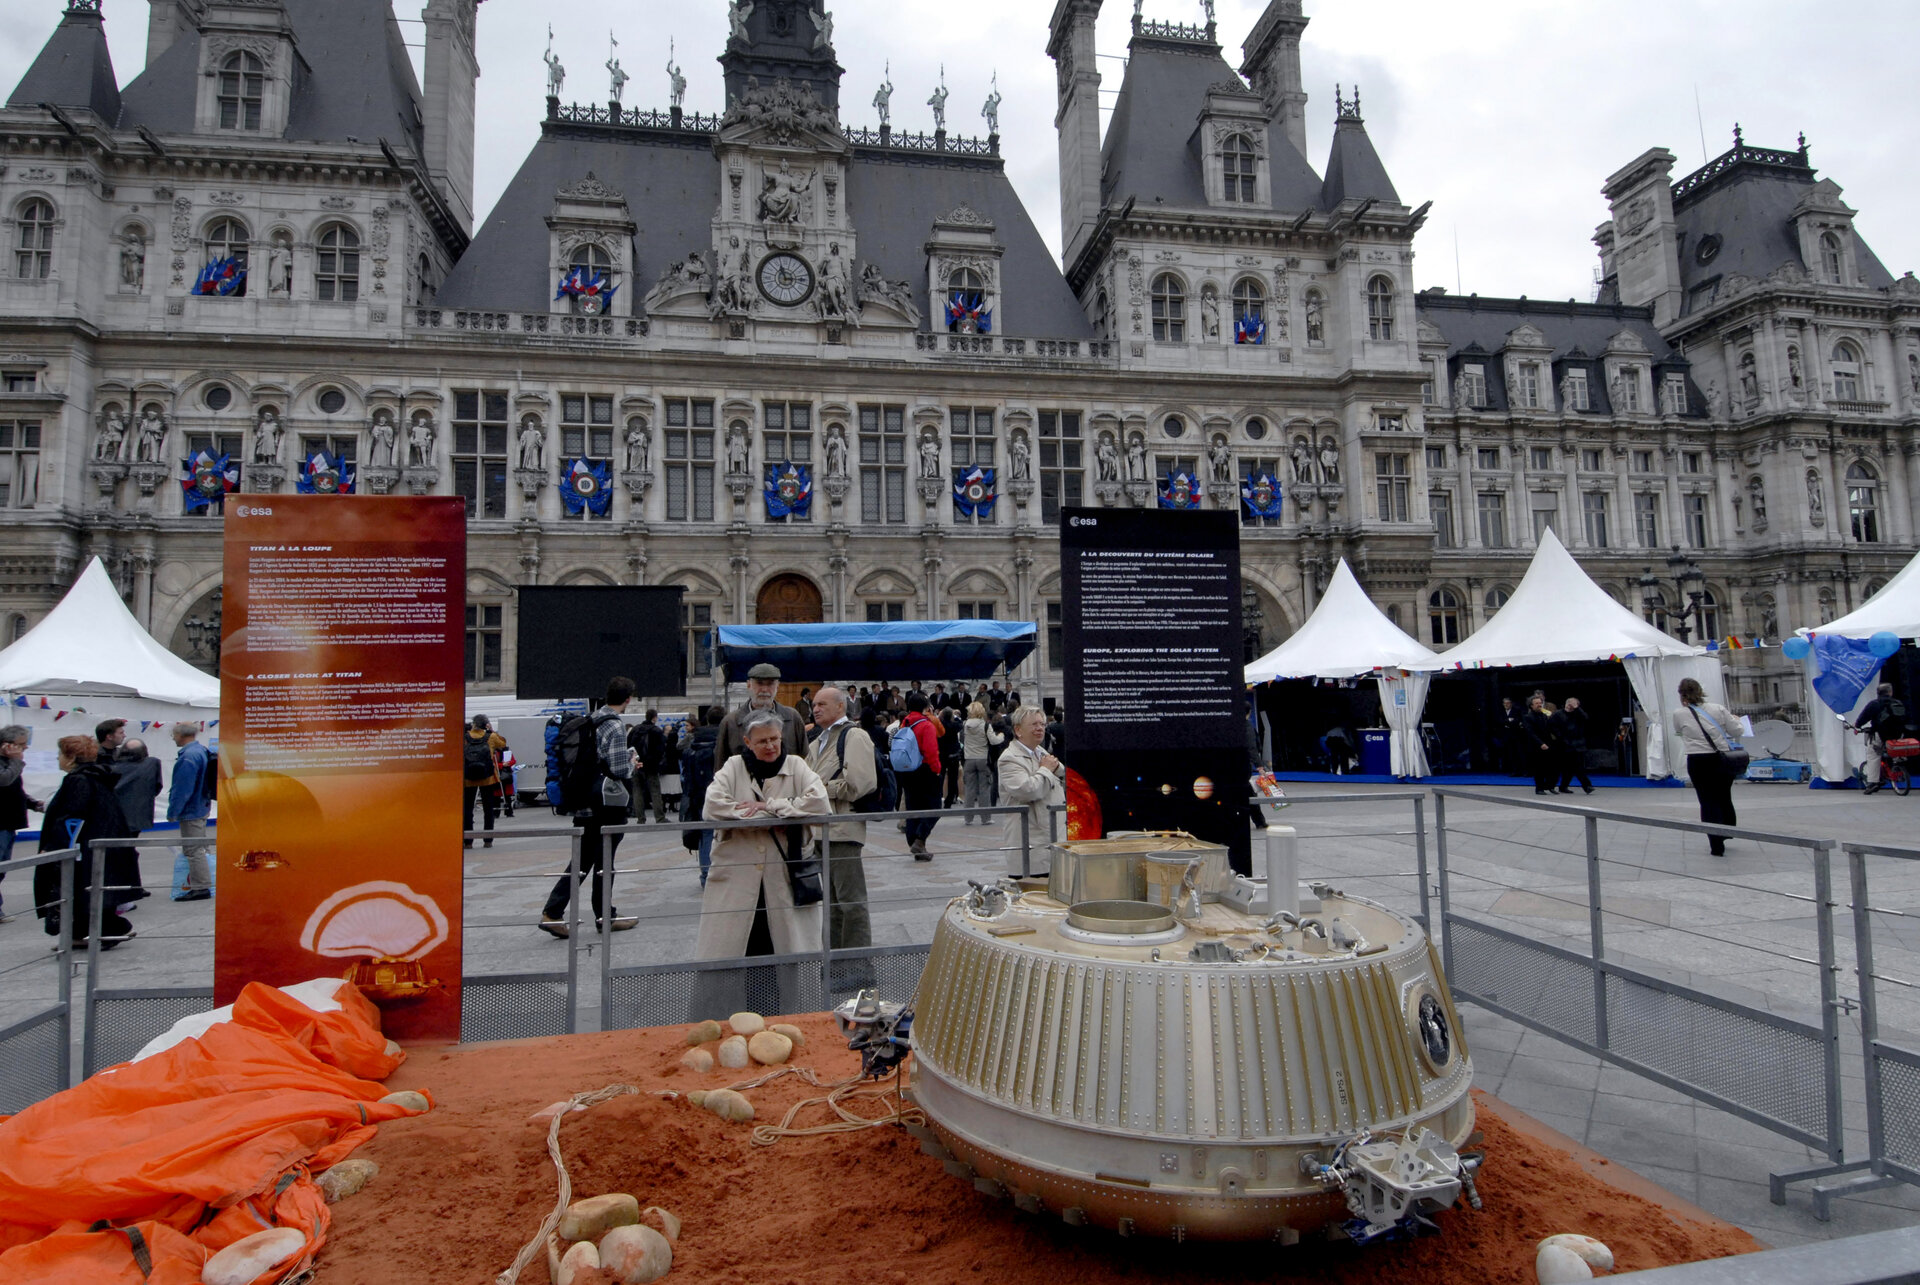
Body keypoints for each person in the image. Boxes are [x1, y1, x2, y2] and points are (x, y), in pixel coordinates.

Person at [697, 709, 831, 958]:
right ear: (747, 742)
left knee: (788, 947)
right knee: (738, 947)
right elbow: (713, 807)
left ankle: (791, 1000)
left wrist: (770, 806)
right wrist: (779, 817)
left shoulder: (797, 765)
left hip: (784, 876)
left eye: (774, 738)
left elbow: (821, 804)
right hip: (738, 877)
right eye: (762, 741)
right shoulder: (733, 766)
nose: (771, 746)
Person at [540, 677, 641, 937]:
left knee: (583, 861)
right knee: (605, 861)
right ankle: (604, 916)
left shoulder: (591, 719)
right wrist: (632, 762)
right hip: (607, 806)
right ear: (628, 699)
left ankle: (553, 913)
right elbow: (618, 769)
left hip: (584, 802)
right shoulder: (615, 726)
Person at [35, 735, 133, 948]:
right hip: (94, 843)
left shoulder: (79, 780)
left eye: (60, 754)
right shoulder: (96, 777)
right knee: (86, 890)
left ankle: (107, 929)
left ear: (70, 758)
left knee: (80, 889)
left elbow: (72, 816)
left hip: (83, 846)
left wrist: (56, 847)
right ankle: (90, 931)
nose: (58, 758)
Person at [805, 686, 875, 955]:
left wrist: (822, 789)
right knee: (831, 904)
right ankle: (835, 963)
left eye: (822, 703)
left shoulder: (854, 736)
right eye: (814, 704)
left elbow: (860, 784)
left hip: (843, 831)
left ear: (840, 707)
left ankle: (858, 964)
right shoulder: (816, 742)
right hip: (819, 832)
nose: (816, 708)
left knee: (851, 901)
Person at [1672, 677, 1740, 856]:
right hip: (1721, 758)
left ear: (1681, 694)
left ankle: (1715, 842)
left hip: (1697, 759)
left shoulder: (1679, 713)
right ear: (1701, 691)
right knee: (1724, 795)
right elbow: (1737, 731)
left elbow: (1678, 731)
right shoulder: (1718, 709)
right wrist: (1736, 721)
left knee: (1707, 800)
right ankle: (1727, 830)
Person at [996, 706, 1063, 877]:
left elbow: (1061, 773)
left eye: (1042, 724)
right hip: (1030, 844)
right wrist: (1047, 770)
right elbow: (1027, 790)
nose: (1040, 728)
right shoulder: (1009, 758)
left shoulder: (1040, 751)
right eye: (1034, 724)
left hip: (1052, 841)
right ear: (1018, 730)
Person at [108, 738, 163, 911]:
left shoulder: (113, 768)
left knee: (120, 854)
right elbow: (157, 787)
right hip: (138, 815)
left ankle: (128, 888)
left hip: (116, 816)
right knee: (129, 852)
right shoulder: (152, 764)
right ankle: (133, 886)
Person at [717, 663, 806, 762]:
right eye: (759, 683)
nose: (764, 689)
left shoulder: (792, 718)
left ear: (777, 686)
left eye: (770, 684)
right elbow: (721, 766)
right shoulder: (731, 722)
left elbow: (806, 759)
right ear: (749, 685)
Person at [0, 725, 45, 922]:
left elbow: (13, 790)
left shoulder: (9, 762)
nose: (24, 749)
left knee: (3, 867)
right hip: (1, 822)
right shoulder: (9, 763)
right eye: (21, 745)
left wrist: (32, 804)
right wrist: (17, 762)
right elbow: (4, 781)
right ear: (6, 745)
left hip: (8, 821)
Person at [166, 723, 213, 900]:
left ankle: (201, 886)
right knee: (199, 846)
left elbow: (182, 788)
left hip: (191, 809)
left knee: (194, 849)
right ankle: (204, 882)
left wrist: (173, 811)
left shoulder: (188, 756)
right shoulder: (201, 750)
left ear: (180, 735)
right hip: (201, 804)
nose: (173, 738)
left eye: (174, 734)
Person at [894, 691, 943, 860]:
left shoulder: (904, 724)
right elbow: (931, 751)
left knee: (913, 806)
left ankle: (914, 843)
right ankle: (920, 840)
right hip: (925, 770)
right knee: (935, 806)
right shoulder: (926, 725)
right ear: (924, 707)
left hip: (906, 770)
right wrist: (937, 770)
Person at [680, 706, 724, 886]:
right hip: (720, 792)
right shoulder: (721, 741)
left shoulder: (694, 742)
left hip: (698, 794)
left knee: (705, 833)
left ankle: (705, 874)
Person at [461, 715, 508, 847]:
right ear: (485, 724)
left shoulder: (464, 737)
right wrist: (492, 731)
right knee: (488, 809)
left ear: (474, 724)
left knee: (468, 809)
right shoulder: (491, 737)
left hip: (468, 778)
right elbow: (503, 744)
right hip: (487, 778)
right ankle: (488, 840)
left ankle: (468, 841)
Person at [959, 701, 1004, 824]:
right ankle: (985, 818)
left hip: (968, 759)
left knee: (969, 789)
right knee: (984, 789)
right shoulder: (985, 725)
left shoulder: (964, 725)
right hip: (983, 759)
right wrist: (1001, 736)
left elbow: (961, 739)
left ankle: (968, 818)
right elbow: (994, 741)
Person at [627, 709, 669, 824]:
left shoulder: (635, 729)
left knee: (637, 791)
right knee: (655, 791)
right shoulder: (656, 731)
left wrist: (634, 761)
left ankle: (640, 818)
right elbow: (661, 750)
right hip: (651, 766)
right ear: (654, 718)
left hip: (636, 764)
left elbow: (628, 747)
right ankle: (659, 817)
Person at [1551, 696, 1594, 795]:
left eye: (1575, 705)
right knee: (1575, 766)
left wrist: (1577, 708)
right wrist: (1561, 737)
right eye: (1571, 704)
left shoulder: (1577, 713)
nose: (1572, 706)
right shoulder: (1558, 714)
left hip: (1577, 744)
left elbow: (1586, 718)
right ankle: (1587, 785)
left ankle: (1563, 786)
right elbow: (1552, 727)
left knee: (1570, 767)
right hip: (1564, 744)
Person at [1520, 694, 1558, 795]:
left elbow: (1551, 729)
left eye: (1540, 703)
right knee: (1539, 768)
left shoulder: (1545, 715)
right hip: (1536, 746)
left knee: (1553, 767)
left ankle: (1550, 786)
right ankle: (1539, 788)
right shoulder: (1528, 717)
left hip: (1548, 743)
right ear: (1531, 706)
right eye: (1536, 703)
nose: (1539, 705)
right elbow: (1530, 733)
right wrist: (1540, 743)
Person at [938, 703, 964, 807]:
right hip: (953, 753)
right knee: (953, 778)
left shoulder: (941, 724)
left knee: (941, 776)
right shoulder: (955, 725)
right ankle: (949, 801)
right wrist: (956, 717)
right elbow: (960, 723)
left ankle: (939, 797)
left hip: (942, 753)